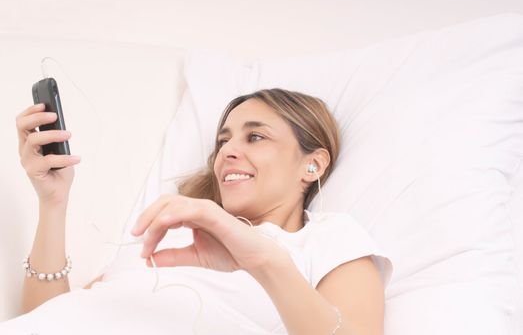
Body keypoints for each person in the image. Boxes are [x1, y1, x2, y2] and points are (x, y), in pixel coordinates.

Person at [5, 88, 392, 334]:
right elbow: (48, 318)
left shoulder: (325, 238)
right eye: (223, 141)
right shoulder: (167, 233)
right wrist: (52, 203)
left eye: (254, 136)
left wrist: (261, 259)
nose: (227, 151)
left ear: (314, 165)